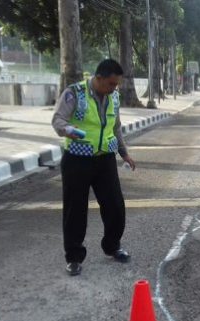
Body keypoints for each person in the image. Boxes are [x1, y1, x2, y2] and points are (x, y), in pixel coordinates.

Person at [51, 59, 136, 276]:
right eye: (110, 84)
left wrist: (124, 153)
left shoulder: (113, 97)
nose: (114, 88)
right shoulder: (75, 93)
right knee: (75, 211)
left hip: (105, 159)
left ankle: (112, 246)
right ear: (98, 78)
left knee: (115, 206)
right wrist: (68, 130)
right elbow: (57, 120)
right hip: (77, 160)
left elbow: (115, 128)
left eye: (116, 84)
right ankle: (74, 258)